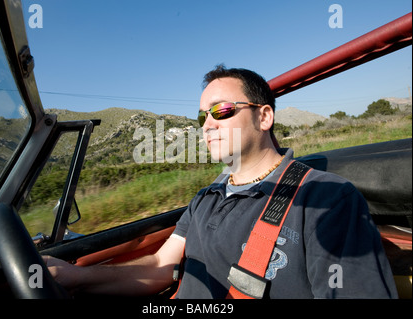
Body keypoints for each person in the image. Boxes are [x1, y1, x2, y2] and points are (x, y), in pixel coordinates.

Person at [45, 65, 398, 298]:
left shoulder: (326, 198)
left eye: (222, 110)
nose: (207, 124)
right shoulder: (205, 198)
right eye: (202, 115)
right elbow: (160, 267)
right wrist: (76, 277)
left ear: (264, 116)